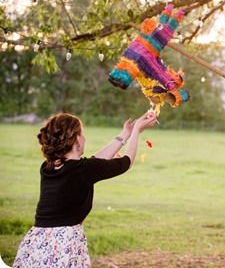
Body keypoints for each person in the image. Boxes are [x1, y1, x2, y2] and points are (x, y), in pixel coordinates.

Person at [13, 110, 157, 268]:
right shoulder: (84, 169)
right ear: (76, 140)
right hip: (64, 243)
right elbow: (126, 161)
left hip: (36, 241)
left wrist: (125, 134)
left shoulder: (48, 167)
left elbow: (94, 162)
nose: (84, 137)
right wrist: (136, 131)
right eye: (81, 133)